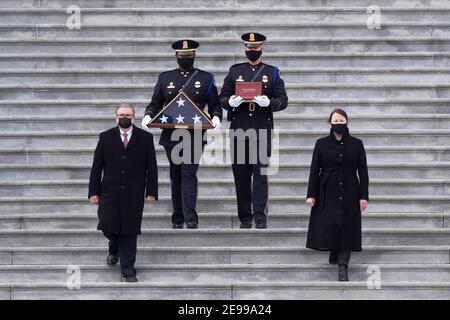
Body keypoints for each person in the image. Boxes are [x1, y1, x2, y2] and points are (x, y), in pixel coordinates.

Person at [141, 39, 222, 230]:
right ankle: (177, 216)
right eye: (182, 56)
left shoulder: (205, 78)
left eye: (188, 56)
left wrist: (216, 117)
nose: (185, 59)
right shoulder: (165, 78)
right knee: (175, 174)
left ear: (194, 56)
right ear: (176, 56)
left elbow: (215, 104)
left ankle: (190, 216)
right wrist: (148, 115)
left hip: (194, 134)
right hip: (172, 135)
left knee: (189, 173)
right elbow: (155, 102)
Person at [219, 32, 288, 229]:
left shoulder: (272, 73)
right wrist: (230, 102)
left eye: (256, 48)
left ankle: (260, 216)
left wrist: (269, 103)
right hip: (239, 129)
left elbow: (283, 100)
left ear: (262, 49)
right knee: (241, 175)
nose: (252, 51)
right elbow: (222, 96)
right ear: (245, 49)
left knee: (260, 175)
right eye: (249, 48)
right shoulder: (235, 72)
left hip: (261, 129)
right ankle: (245, 217)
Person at [88, 104, 158, 282]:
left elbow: (152, 168)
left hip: (134, 194)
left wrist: (151, 191)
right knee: (107, 225)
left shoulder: (145, 138)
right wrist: (93, 192)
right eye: (121, 115)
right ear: (115, 118)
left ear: (133, 117)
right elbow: (97, 167)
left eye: (127, 114)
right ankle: (114, 248)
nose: (124, 117)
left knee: (129, 231)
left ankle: (128, 270)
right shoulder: (105, 137)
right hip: (109, 193)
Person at [305, 109, 369, 281]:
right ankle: (334, 249)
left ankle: (343, 265)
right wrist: (311, 194)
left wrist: (364, 196)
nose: (339, 124)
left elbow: (363, 172)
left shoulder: (357, 144)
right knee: (332, 223)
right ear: (329, 122)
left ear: (347, 122)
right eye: (336, 121)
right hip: (327, 189)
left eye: (342, 121)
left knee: (347, 226)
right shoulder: (321, 143)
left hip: (350, 190)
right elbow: (314, 170)